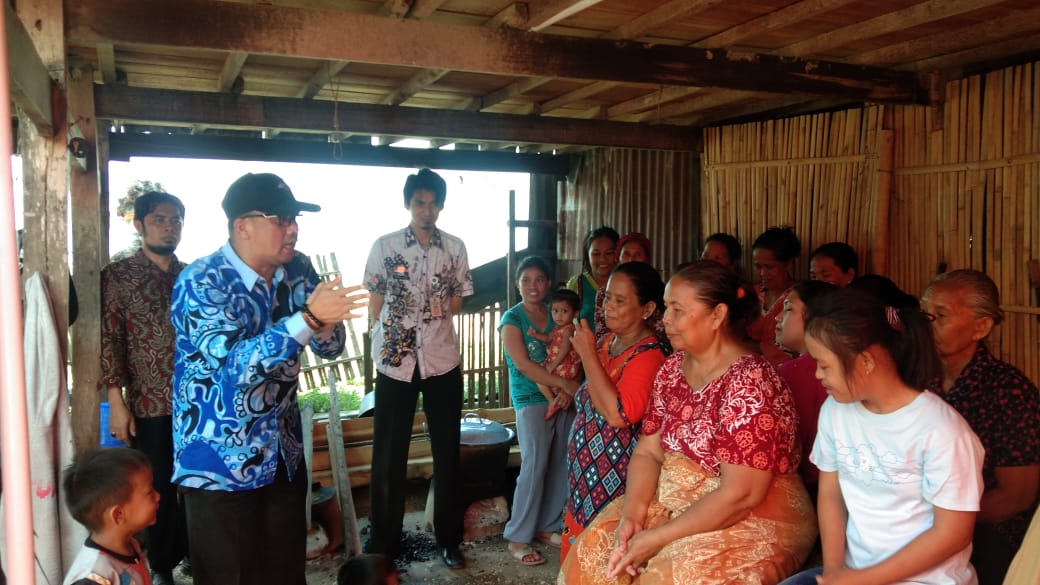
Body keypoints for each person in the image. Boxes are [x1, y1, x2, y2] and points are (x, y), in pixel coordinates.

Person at [560, 260, 816, 584]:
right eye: (667, 308)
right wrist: (632, 515)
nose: (665, 319)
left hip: (748, 516)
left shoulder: (751, 381)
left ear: (717, 316)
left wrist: (657, 538)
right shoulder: (672, 369)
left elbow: (741, 495)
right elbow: (649, 452)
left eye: (678, 310)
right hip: (678, 500)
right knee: (596, 550)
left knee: (669, 577)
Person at [171, 172, 365, 585]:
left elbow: (330, 348)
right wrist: (309, 317)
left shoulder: (297, 270)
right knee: (231, 577)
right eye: (281, 218)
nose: (293, 228)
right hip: (221, 463)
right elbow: (235, 369)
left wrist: (324, 320)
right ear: (242, 226)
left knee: (284, 574)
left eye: (295, 218)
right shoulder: (201, 281)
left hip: (281, 453)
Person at [782, 287, 985, 585]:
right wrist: (835, 570)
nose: (817, 375)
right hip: (853, 575)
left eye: (824, 365)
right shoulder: (836, 412)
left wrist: (862, 579)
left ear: (865, 361)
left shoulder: (942, 431)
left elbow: (952, 533)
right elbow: (831, 495)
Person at [363, 168, 473, 570]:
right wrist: (385, 337)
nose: (427, 210)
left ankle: (449, 540)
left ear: (442, 205)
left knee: (447, 451)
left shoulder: (455, 248)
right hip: (396, 362)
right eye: (419, 203)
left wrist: (435, 311)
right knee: (388, 453)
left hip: (443, 360)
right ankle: (384, 542)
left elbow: (460, 297)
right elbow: (375, 299)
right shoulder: (385, 246)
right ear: (408, 204)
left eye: (433, 203)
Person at [921, 269, 1040, 585]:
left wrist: (942, 523)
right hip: (924, 521)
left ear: (981, 327)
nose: (927, 325)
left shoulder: (1010, 390)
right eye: (925, 315)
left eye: (940, 316)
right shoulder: (921, 382)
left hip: (989, 530)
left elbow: (1018, 496)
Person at [99, 190, 188, 585]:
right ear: (139, 225)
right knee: (158, 487)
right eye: (159, 220)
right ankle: (164, 564)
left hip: (197, 401)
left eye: (175, 221)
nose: (169, 228)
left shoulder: (190, 275)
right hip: (149, 402)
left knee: (199, 481)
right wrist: (116, 402)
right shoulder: (118, 276)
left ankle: (197, 553)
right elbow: (109, 341)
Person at [562, 261, 669, 560]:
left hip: (614, 482)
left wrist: (586, 354)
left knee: (599, 557)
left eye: (620, 301)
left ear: (647, 309)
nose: (608, 306)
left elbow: (619, 415)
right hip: (586, 477)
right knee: (578, 555)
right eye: (608, 297)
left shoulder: (648, 356)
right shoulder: (609, 341)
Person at [500, 256, 582, 566]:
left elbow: (575, 353)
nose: (533, 286)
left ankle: (547, 526)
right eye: (526, 280)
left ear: (548, 284)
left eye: (539, 279)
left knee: (562, 461)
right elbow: (523, 364)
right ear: (517, 283)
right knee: (534, 464)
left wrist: (569, 386)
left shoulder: (557, 314)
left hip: (563, 396)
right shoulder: (512, 319)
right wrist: (566, 385)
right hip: (532, 398)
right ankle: (518, 536)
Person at [774, 279, 836, 499]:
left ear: (814, 319)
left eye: (789, 309)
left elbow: (793, 443)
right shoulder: (841, 365)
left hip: (809, 488)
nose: (777, 317)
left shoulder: (794, 372)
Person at [61, 448, 159, 585]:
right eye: (149, 492)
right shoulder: (94, 576)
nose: (158, 496)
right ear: (118, 514)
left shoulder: (130, 545)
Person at [527, 288, 583, 420]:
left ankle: (553, 401)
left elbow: (565, 349)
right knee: (538, 378)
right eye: (555, 311)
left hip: (564, 366)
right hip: (556, 365)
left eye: (564, 311)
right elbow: (547, 338)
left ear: (575, 314)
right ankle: (553, 401)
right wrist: (535, 335)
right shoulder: (557, 328)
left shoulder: (569, 329)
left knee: (541, 377)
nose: (559, 316)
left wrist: (553, 365)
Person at [748, 226, 801, 366]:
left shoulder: (799, 299)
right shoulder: (752, 294)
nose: (762, 273)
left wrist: (745, 345)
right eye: (758, 266)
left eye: (769, 267)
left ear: (788, 264)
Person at [566, 226, 619, 339]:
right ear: (587, 255)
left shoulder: (625, 285)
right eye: (596, 254)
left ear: (617, 255)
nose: (602, 259)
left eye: (609, 253)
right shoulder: (577, 284)